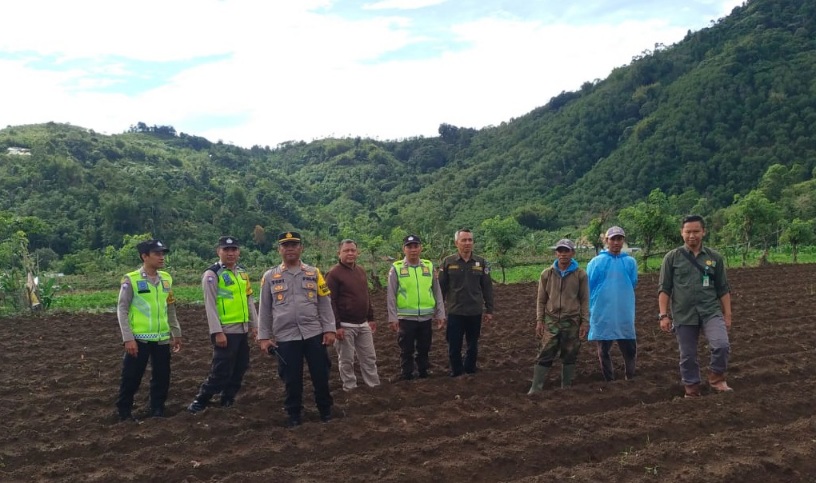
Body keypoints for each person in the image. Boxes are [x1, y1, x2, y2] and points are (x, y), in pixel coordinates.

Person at [257, 231, 336, 427]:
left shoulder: (313, 273)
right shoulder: (270, 276)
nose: (290, 248)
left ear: (301, 248)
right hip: (286, 336)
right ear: (279, 250)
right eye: (286, 245)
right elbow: (265, 309)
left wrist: (330, 329)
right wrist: (264, 337)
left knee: (321, 374)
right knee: (291, 379)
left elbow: (325, 303)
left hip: (313, 333)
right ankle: (294, 414)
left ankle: (325, 411)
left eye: (294, 245)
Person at [658, 214, 733, 398]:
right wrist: (663, 315)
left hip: (710, 311)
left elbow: (723, 288)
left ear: (703, 232)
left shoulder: (715, 257)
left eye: (696, 231)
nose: (692, 236)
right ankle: (691, 387)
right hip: (684, 314)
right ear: (682, 233)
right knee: (688, 355)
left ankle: (716, 378)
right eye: (688, 232)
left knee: (721, 345)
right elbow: (664, 289)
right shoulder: (672, 258)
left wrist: (728, 314)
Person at [187, 236, 258, 414]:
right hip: (226, 330)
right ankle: (201, 400)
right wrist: (217, 332)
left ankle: (228, 398)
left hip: (242, 329)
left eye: (234, 249)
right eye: (226, 250)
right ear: (218, 251)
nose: (230, 253)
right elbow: (210, 305)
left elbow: (249, 300)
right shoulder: (212, 274)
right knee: (221, 369)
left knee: (240, 366)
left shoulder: (242, 273)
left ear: (239, 252)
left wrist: (255, 325)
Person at [115, 239, 182, 421]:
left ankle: (157, 409)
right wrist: (128, 338)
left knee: (162, 376)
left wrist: (176, 332)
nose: (162, 257)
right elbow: (122, 309)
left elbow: (170, 307)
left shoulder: (166, 279)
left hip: (161, 337)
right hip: (139, 339)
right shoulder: (131, 280)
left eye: (162, 254)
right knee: (132, 377)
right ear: (144, 256)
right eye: (157, 254)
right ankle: (124, 412)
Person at [528, 239, 589, 394]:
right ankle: (536, 388)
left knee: (570, 353)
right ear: (556, 253)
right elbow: (541, 300)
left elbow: (584, 299)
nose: (563, 254)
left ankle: (566, 387)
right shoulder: (547, 274)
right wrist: (539, 321)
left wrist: (585, 322)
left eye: (566, 251)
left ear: (572, 253)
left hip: (572, 321)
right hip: (551, 320)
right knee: (545, 353)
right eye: (560, 251)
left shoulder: (580, 274)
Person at [387, 234, 446, 381]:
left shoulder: (428, 266)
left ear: (421, 248)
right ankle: (406, 374)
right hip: (406, 318)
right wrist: (392, 317)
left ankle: (423, 371)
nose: (413, 250)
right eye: (409, 247)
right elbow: (391, 295)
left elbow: (436, 290)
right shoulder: (397, 268)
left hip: (426, 317)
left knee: (424, 347)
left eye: (416, 246)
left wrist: (440, 313)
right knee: (406, 349)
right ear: (404, 249)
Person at [325, 239, 381, 391]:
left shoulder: (361, 270)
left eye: (353, 250)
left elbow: (366, 295)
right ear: (339, 253)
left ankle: (374, 385)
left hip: (362, 323)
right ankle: (350, 388)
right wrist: (336, 326)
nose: (350, 253)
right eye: (346, 250)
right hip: (345, 325)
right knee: (347, 360)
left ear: (357, 252)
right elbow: (331, 301)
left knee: (369, 357)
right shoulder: (333, 274)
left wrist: (371, 317)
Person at [439, 228, 494, 377]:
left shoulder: (481, 262)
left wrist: (489, 309)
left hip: (474, 311)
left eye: (470, 240)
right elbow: (441, 288)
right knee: (454, 344)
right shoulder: (448, 262)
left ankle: (470, 369)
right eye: (464, 240)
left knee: (473, 344)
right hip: (455, 311)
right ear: (456, 243)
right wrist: (439, 312)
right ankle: (456, 371)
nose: (467, 243)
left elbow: (487, 287)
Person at [587, 226, 638, 381]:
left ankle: (630, 377)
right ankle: (610, 380)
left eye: (619, 239)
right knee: (603, 349)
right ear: (606, 241)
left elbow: (633, 282)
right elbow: (589, 286)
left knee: (629, 349)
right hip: (603, 311)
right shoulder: (596, 262)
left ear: (623, 241)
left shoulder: (630, 262)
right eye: (613, 239)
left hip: (624, 310)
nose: (616, 242)